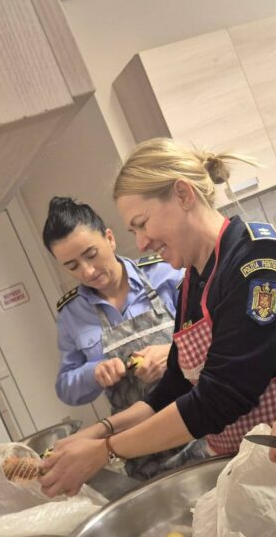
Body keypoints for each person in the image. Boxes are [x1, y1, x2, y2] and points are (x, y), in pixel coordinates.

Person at [40, 139, 276, 497]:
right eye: (133, 231)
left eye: (142, 224)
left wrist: (106, 450)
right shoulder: (192, 283)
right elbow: (173, 388)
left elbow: (221, 397)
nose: (141, 242)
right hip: (262, 470)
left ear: (183, 195)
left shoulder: (258, 265)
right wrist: (99, 431)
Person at [44, 196, 205, 480]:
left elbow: (215, 338)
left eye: (91, 254)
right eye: (72, 266)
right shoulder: (71, 313)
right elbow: (66, 387)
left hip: (201, 427)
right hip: (139, 450)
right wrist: (93, 372)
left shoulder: (166, 274)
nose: (87, 271)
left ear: (110, 238)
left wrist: (172, 353)